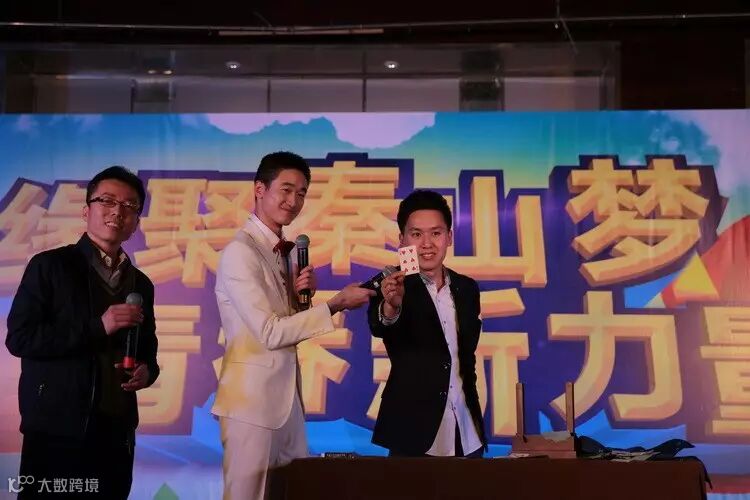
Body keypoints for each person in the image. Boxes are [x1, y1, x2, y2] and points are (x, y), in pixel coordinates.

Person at [211, 151, 375, 500]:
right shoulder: (240, 252)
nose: (294, 201)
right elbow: (270, 332)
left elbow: (285, 323)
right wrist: (335, 304)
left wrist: (302, 299)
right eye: (285, 190)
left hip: (286, 402)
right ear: (259, 189)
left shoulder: (282, 252)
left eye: (301, 193)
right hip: (251, 404)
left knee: (290, 491)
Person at [6, 166, 160, 499]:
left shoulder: (141, 284)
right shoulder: (50, 266)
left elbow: (148, 350)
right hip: (56, 431)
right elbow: (20, 338)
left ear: (137, 221)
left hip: (116, 433)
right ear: (86, 210)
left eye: (130, 206)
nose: (118, 211)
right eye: (107, 201)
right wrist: (97, 327)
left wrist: (147, 371)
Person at [368, 189, 488, 457]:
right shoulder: (390, 283)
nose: (427, 244)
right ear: (402, 239)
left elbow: (465, 358)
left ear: (449, 237)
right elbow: (380, 324)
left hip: (466, 430)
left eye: (436, 233)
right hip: (412, 429)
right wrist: (392, 305)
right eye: (416, 234)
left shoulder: (467, 288)